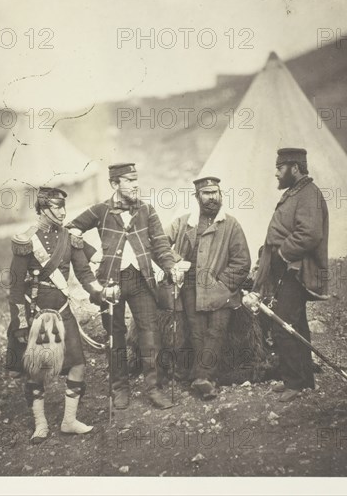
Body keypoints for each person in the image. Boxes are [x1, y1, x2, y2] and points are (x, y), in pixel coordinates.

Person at [66, 163, 182, 410]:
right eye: (129, 180)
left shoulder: (146, 210)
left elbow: (160, 244)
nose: (135, 184)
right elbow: (70, 232)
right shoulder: (100, 210)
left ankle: (154, 388)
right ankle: (120, 388)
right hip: (110, 284)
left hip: (141, 281)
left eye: (135, 179)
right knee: (114, 337)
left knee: (150, 334)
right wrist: (92, 253)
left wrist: (171, 266)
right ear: (115, 184)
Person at [6, 186, 107, 443]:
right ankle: (40, 424)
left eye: (64, 206)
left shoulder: (69, 238)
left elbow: (85, 274)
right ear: (42, 208)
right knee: (36, 370)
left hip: (64, 313)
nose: (62, 212)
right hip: (38, 314)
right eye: (56, 207)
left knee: (79, 365)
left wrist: (98, 292)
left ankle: (69, 421)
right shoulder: (27, 240)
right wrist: (19, 323)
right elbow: (16, 286)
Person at [243, 148, 329, 402]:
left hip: (295, 271)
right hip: (286, 270)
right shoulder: (296, 193)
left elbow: (310, 234)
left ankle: (294, 382)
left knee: (283, 326)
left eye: (280, 168)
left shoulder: (308, 194)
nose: (276, 172)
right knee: (297, 324)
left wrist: (282, 253)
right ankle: (304, 380)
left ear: (294, 167)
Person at [166, 177, 251, 399]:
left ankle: (202, 377)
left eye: (215, 192)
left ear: (220, 195)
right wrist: (176, 261)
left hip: (220, 289)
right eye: (206, 193)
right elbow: (160, 245)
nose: (212, 197)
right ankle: (204, 378)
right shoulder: (184, 223)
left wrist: (222, 285)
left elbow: (242, 262)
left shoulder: (231, 225)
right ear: (197, 197)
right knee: (197, 332)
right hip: (191, 288)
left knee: (217, 330)